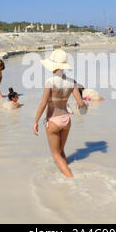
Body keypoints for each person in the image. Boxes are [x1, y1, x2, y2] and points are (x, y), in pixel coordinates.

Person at [33, 49, 87, 178]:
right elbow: (80, 104)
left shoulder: (50, 82)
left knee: (55, 155)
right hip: (66, 120)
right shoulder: (72, 82)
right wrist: (83, 106)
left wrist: (35, 122)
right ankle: (66, 172)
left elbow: (43, 103)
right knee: (61, 151)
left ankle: (71, 179)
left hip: (53, 121)